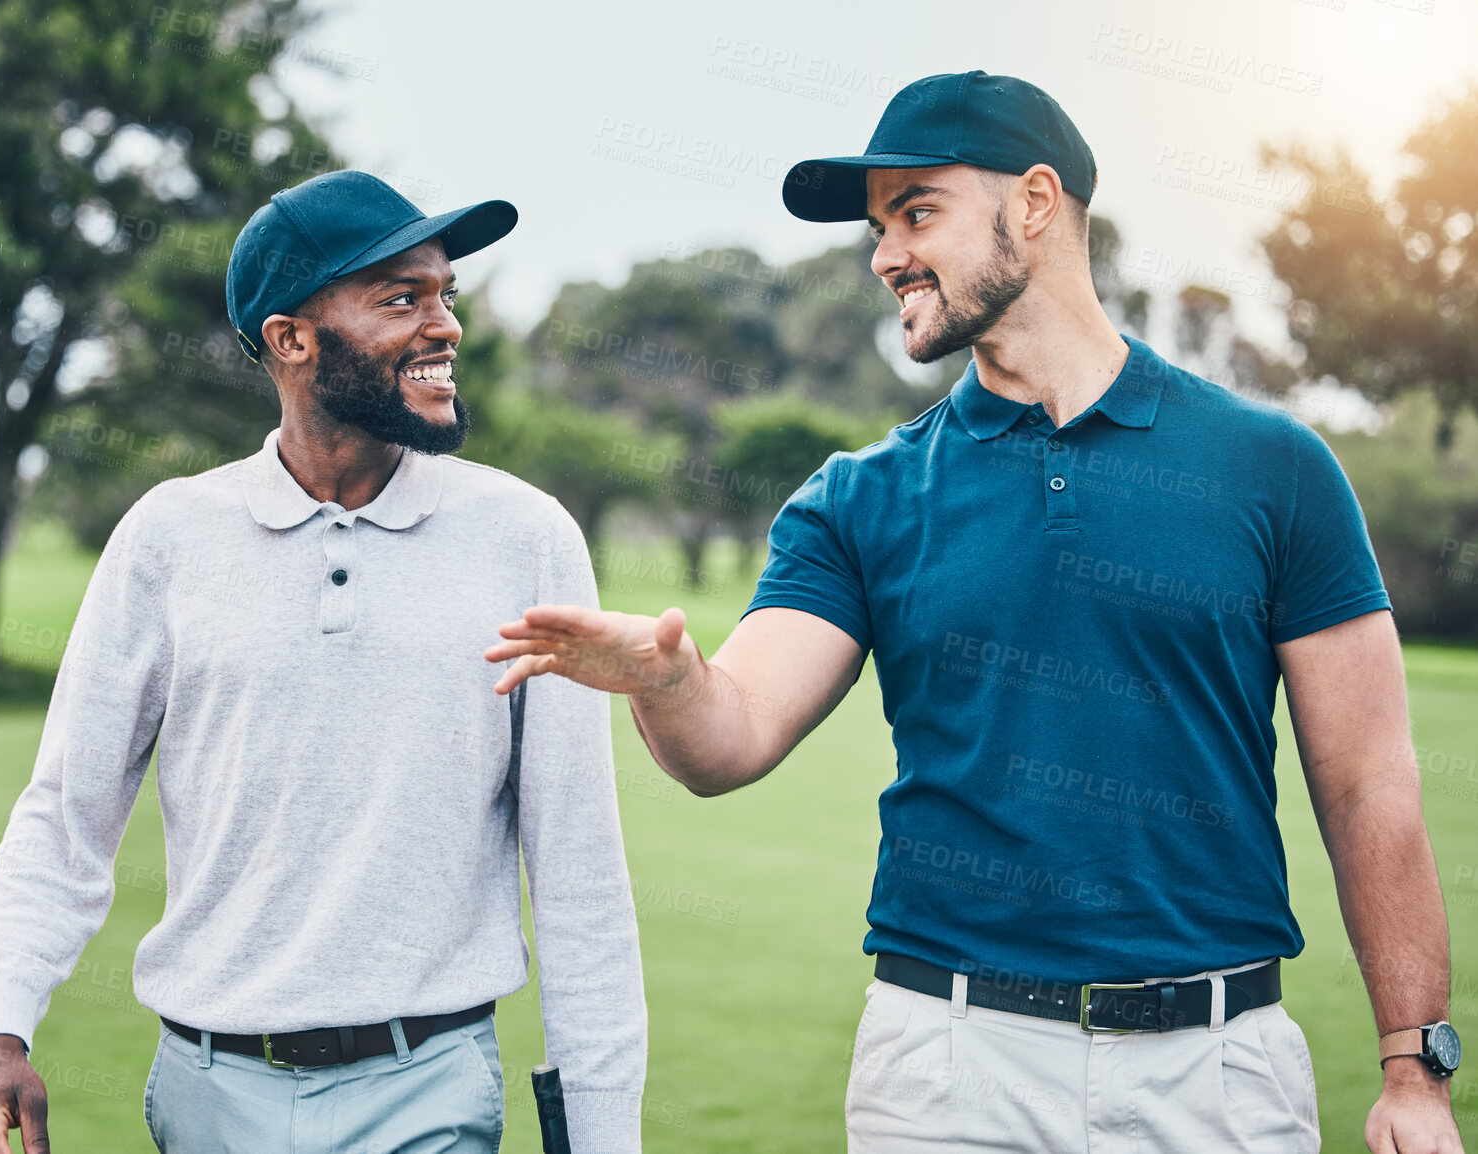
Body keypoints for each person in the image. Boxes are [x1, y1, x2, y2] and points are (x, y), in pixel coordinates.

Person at [486, 71, 1463, 1153]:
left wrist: (1414, 1065)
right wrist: (672, 682)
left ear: (1034, 203)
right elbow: (733, 732)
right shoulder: (861, 498)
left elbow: (1368, 779)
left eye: (917, 212)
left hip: (1217, 1072)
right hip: (948, 1076)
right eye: (877, 226)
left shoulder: (1275, 470)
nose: (883, 254)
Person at [0, 170, 646, 1154]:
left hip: (431, 1086)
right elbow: (64, 818)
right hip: (206, 1094)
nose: (445, 324)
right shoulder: (166, 538)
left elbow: (579, 873)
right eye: (402, 297)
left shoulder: (527, 539)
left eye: (444, 294)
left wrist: (606, 1133)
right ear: (292, 339)